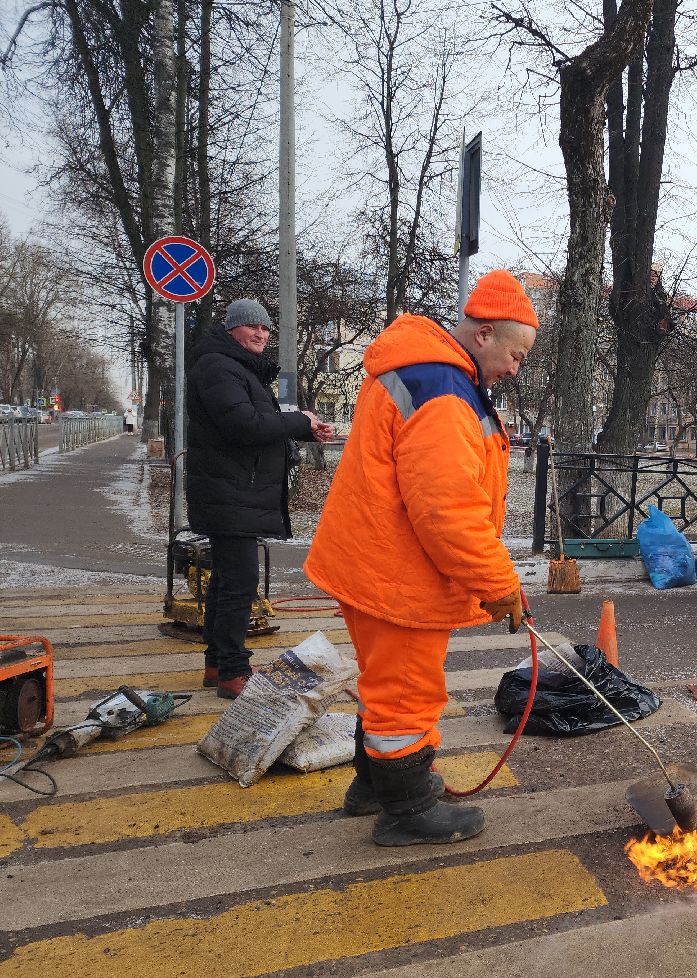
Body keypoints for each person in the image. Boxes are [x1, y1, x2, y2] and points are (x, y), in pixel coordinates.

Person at [305, 269, 536, 847]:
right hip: (399, 576)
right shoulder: (443, 392)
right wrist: (498, 582)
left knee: (385, 684)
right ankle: (406, 810)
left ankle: (373, 787)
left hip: (378, 562)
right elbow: (447, 510)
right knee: (407, 692)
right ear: (483, 336)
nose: (514, 369)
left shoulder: (426, 375)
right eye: (516, 354)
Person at [187, 298, 334, 699]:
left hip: (233, 489)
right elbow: (244, 425)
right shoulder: (219, 366)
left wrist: (305, 427)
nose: (261, 334)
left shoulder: (233, 367)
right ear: (232, 329)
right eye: (253, 327)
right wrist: (297, 421)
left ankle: (217, 664)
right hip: (229, 490)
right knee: (240, 582)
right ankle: (234, 672)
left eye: (266, 329)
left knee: (227, 581)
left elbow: (256, 422)